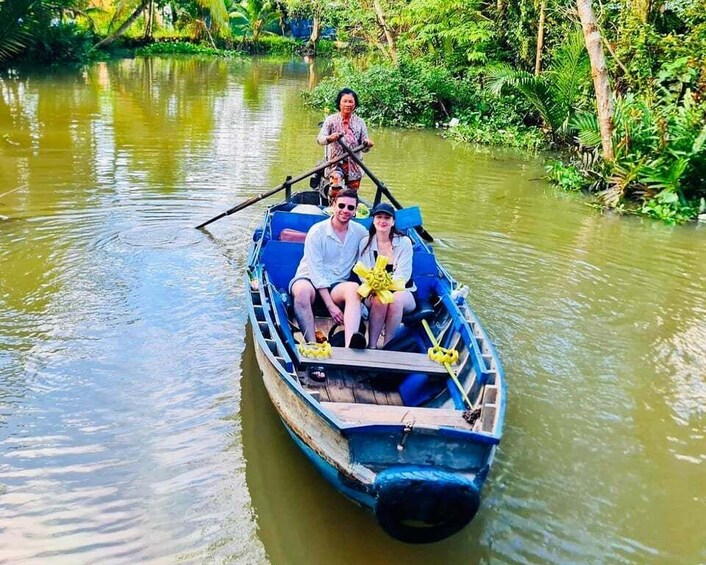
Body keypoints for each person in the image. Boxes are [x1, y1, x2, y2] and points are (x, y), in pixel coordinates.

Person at [290, 189, 368, 350]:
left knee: (354, 289)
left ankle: (349, 346)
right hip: (309, 279)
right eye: (341, 205)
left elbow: (372, 252)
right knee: (301, 291)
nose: (345, 210)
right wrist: (331, 306)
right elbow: (316, 271)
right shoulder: (317, 231)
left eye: (350, 208)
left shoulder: (360, 233)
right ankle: (312, 344)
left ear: (355, 211)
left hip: (337, 284)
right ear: (333, 206)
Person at [357, 202, 416, 349]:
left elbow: (404, 275)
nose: (383, 221)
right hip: (373, 291)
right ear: (373, 220)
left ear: (393, 222)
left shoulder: (404, 242)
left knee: (394, 300)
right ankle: (371, 346)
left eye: (387, 218)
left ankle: (389, 347)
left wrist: (384, 285)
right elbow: (362, 272)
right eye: (379, 217)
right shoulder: (366, 242)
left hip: (403, 291)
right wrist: (376, 286)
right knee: (380, 300)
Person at [317, 88, 374, 199]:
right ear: (339, 103)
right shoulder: (331, 120)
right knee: (336, 185)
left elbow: (365, 149)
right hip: (335, 163)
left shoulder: (360, 122)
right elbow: (320, 140)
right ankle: (333, 207)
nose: (348, 104)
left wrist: (367, 145)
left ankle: (349, 211)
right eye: (345, 101)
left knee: (351, 195)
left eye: (351, 101)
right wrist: (329, 138)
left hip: (355, 164)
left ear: (355, 104)